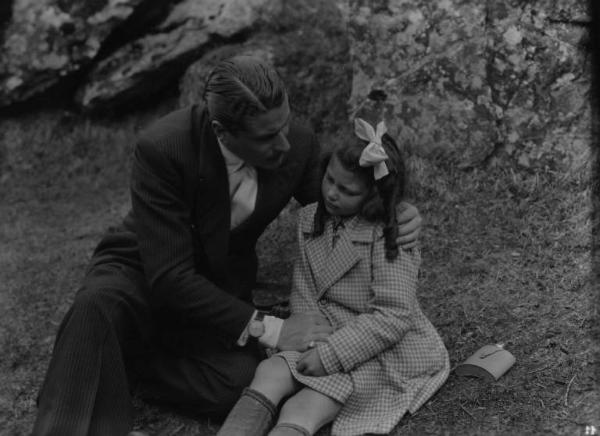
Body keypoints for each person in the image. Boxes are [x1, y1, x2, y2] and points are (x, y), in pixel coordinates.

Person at [31, 56, 423, 436]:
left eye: (284, 125)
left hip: (217, 289)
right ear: (222, 132)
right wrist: (271, 327)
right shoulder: (164, 147)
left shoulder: (298, 145)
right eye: (268, 136)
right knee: (96, 305)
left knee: (237, 383)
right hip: (142, 269)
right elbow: (170, 276)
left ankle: (114, 361)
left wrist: (392, 210)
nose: (284, 144)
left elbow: (332, 209)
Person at [217, 118, 449, 436]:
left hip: (376, 348)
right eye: (329, 180)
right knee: (270, 371)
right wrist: (309, 339)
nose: (332, 193)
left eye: (347, 190)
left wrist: (331, 355)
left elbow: (394, 316)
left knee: (304, 405)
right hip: (322, 331)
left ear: (372, 197)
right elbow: (305, 288)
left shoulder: (388, 234)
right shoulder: (311, 219)